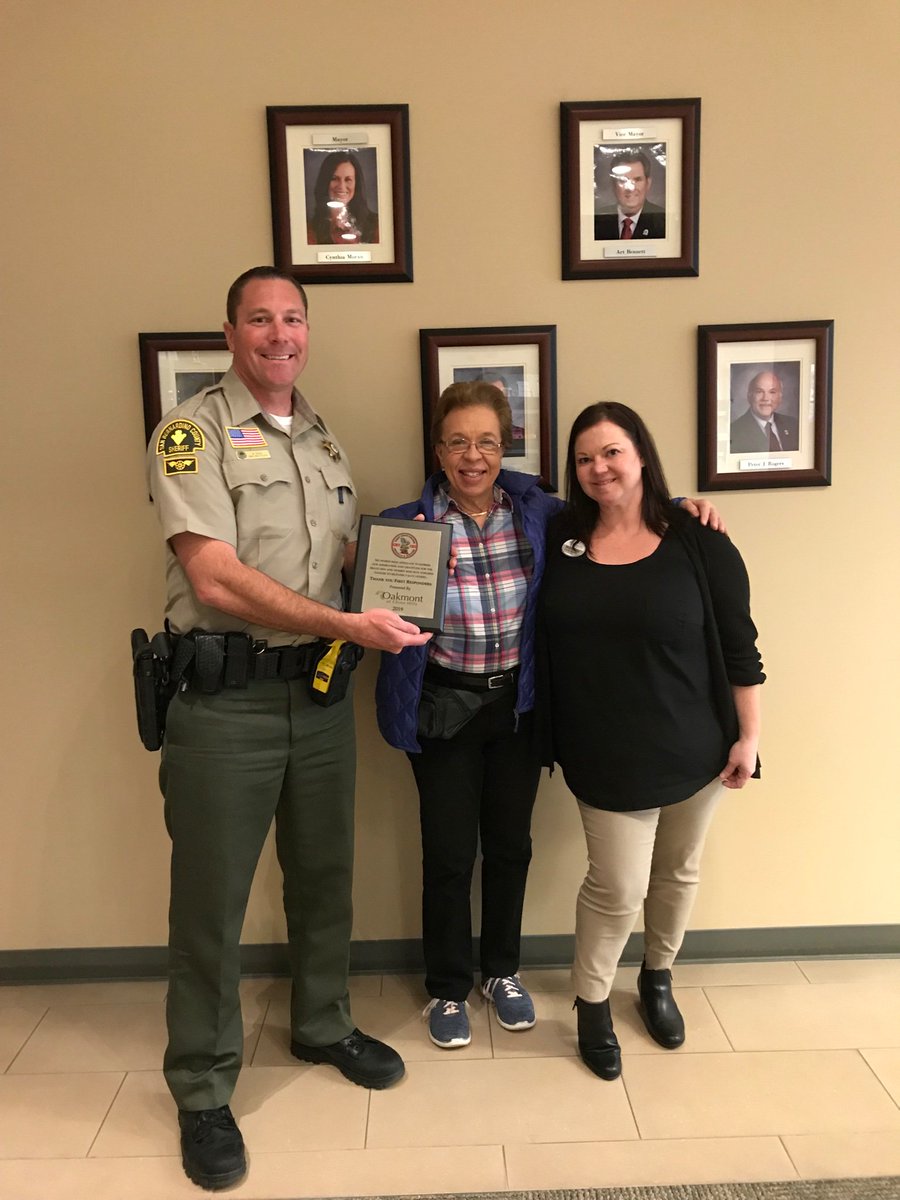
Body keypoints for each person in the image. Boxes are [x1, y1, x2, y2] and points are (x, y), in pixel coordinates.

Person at [147, 265, 430, 1191]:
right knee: (211, 904)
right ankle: (201, 1087)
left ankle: (321, 1022)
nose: (280, 334)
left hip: (316, 697)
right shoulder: (190, 434)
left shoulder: (321, 436)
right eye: (261, 318)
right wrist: (349, 622)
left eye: (294, 318)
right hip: (224, 704)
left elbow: (342, 555)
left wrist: (407, 570)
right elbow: (215, 577)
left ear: (309, 331)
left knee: (322, 877)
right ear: (229, 333)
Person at [375, 384, 722, 1052]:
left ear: (505, 446)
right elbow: (367, 607)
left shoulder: (542, 514)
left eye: (486, 441)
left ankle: (501, 972)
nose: (472, 456)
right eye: (456, 441)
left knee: (511, 847)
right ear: (437, 450)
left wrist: (680, 505)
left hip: (518, 707)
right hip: (442, 707)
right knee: (448, 854)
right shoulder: (405, 526)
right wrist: (358, 566)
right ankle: (448, 986)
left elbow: (619, 510)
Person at [537, 402, 764, 1081]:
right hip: (601, 749)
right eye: (584, 458)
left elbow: (739, 647)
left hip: (695, 744)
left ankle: (657, 978)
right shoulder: (558, 536)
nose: (598, 468)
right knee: (617, 887)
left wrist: (749, 737)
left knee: (678, 872)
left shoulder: (698, 538)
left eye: (611, 452)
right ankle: (592, 1002)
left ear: (640, 454)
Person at [306, 150, 379, 245]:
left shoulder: (377, 225)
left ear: (356, 184)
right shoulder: (310, 230)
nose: (341, 186)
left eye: (348, 179)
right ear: (325, 182)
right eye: (334, 179)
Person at [594, 149, 666, 241]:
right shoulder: (596, 221)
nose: (630, 188)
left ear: (648, 183)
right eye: (623, 180)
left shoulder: (664, 221)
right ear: (613, 184)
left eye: (637, 180)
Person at [730, 369, 799, 452]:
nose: (766, 398)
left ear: (780, 397)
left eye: (772, 392)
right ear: (749, 396)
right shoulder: (734, 431)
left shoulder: (794, 425)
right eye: (759, 392)